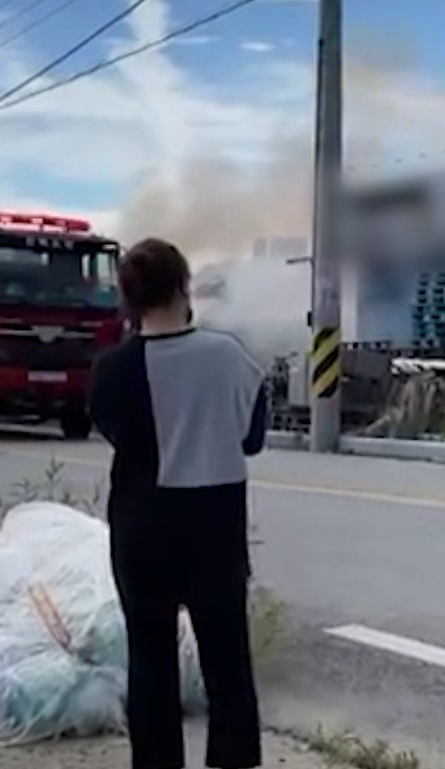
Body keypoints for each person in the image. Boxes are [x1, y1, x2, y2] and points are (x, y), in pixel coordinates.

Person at [89, 238, 269, 769]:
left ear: (130, 299)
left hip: (141, 527)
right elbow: (251, 439)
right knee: (227, 662)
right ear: (184, 287)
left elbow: (117, 432)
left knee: (150, 663)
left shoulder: (112, 369)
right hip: (214, 524)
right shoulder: (230, 356)